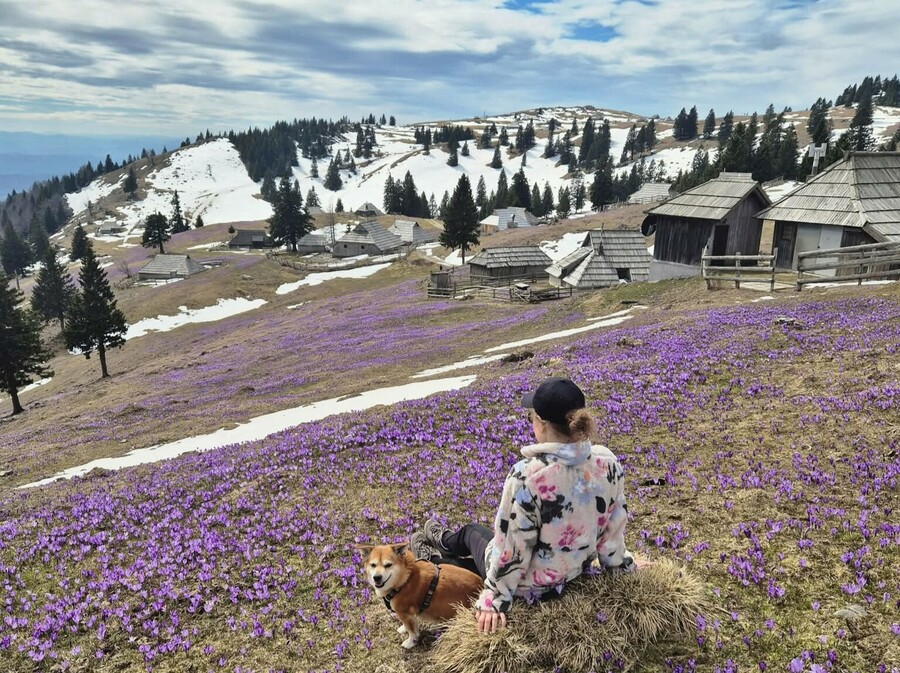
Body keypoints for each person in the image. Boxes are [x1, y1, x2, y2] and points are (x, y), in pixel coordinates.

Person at [410, 376, 634, 634]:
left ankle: (436, 552)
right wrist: (620, 565)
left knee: (473, 534)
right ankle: (439, 549)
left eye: (532, 417)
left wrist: (494, 598)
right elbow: (613, 527)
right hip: (572, 571)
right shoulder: (608, 463)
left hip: (529, 586)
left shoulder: (527, 476)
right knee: (478, 547)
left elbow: (512, 550)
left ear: (542, 424)